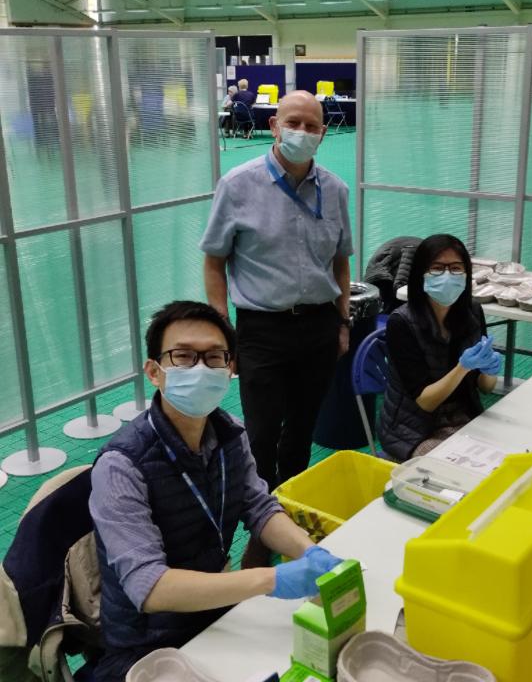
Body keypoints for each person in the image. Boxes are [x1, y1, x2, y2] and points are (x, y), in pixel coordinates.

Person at [89, 300, 342, 682]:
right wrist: (271, 580)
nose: (200, 369)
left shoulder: (229, 433)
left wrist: (310, 552)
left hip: (216, 613)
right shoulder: (121, 465)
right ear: (154, 372)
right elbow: (150, 587)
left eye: (213, 358)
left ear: (230, 369)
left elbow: (258, 507)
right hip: (148, 647)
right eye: (183, 356)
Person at [200, 90, 352, 493]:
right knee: (262, 434)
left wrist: (342, 322)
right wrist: (223, 331)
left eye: (311, 126)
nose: (302, 132)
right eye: (293, 123)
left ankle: (293, 502)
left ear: (323, 133)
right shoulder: (237, 185)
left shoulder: (335, 190)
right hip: (261, 330)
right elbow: (214, 262)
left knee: (302, 429)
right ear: (274, 126)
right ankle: (261, 516)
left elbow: (340, 262)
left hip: (319, 326)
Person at [377, 234, 501, 461]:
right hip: (413, 428)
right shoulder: (402, 322)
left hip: (464, 415)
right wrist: (462, 368)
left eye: (455, 268)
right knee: (459, 469)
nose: (447, 276)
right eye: (437, 268)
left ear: (466, 274)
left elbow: (485, 388)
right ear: (420, 274)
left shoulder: (472, 311)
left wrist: (489, 371)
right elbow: (425, 401)